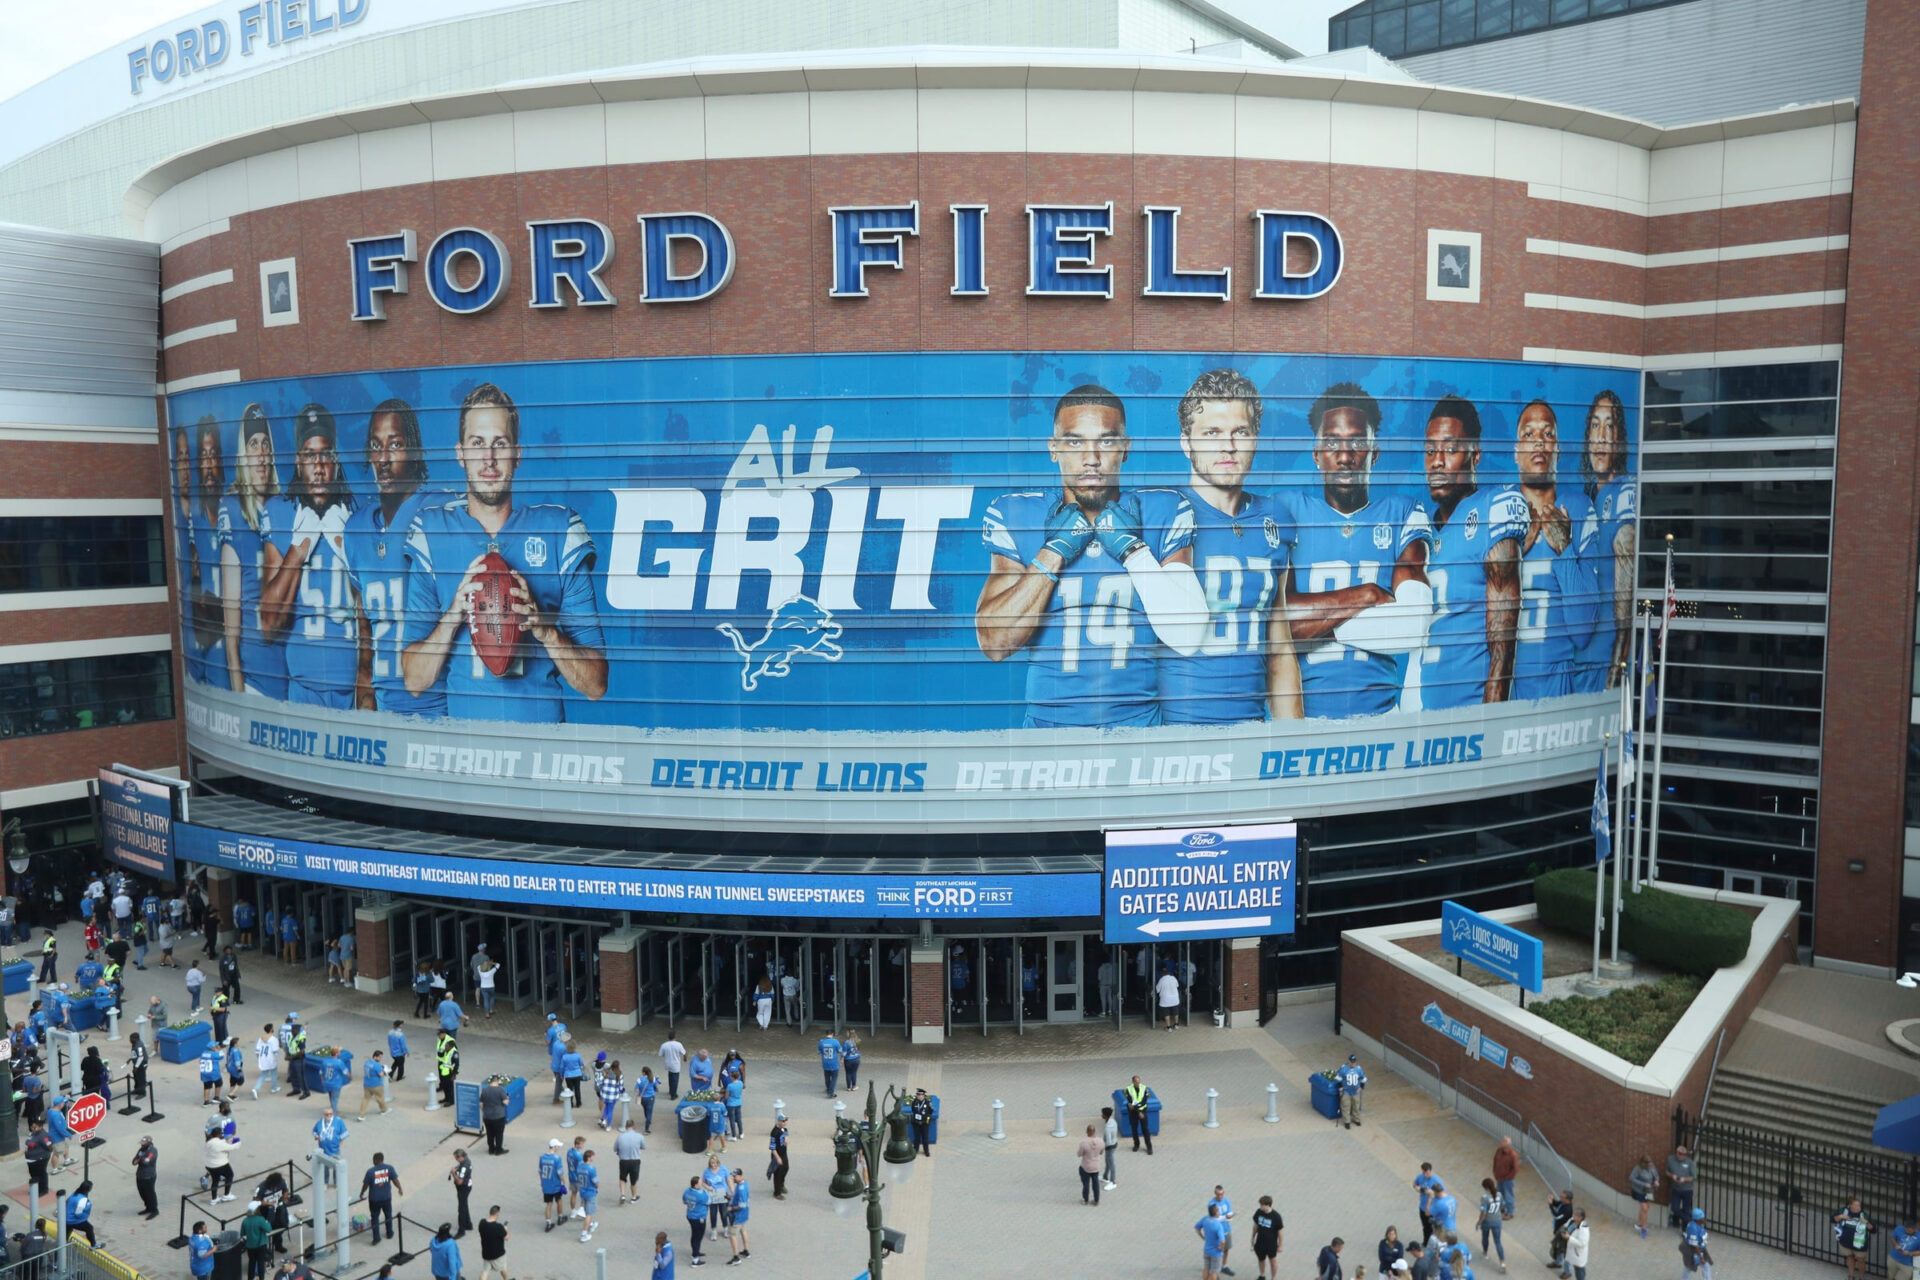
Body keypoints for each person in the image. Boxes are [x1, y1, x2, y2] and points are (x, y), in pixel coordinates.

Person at [975, 382, 1205, 728]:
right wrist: (1052, 553)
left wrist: (1133, 551)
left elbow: (1188, 637)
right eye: (1074, 441)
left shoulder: (1162, 510)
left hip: (1138, 733)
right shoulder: (1018, 515)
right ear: (1053, 449)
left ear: (1125, 448)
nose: (1092, 458)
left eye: (1107, 441)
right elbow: (994, 643)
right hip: (1047, 737)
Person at [400, 381, 609, 720]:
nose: (489, 458)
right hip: (467, 754)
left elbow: (596, 684)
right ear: (459, 454)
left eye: (500, 443)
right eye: (477, 443)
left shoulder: (558, 531)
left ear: (517, 454)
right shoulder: (431, 533)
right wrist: (455, 613)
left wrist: (543, 629)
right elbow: (414, 680)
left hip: (541, 750)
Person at [342, 398, 446, 715]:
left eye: (396, 444)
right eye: (376, 445)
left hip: (438, 709)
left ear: (413, 450)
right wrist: (364, 694)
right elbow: (365, 626)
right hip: (386, 710)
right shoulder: (357, 528)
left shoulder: (440, 512)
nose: (384, 459)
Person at [259, 404, 360, 709]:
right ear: (297, 461)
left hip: (353, 687)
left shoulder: (357, 514)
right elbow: (268, 626)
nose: (318, 466)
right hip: (303, 688)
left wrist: (347, 547)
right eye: (308, 454)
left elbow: (378, 610)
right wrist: (298, 549)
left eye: (325, 454)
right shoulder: (279, 512)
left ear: (336, 461)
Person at [358, 1152, 403, 1244]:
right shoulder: (389, 1168)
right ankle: (389, 1233)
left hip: (374, 1199)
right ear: (382, 1159)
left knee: (374, 1218)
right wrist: (400, 1188)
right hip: (386, 1198)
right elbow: (395, 1180)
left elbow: (365, 1185)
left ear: (375, 1160)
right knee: (388, 1215)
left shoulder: (370, 1171)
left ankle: (376, 1237)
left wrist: (362, 1193)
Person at [1834, 1196, 1874, 1279]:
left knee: (1861, 1260)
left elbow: (1873, 1229)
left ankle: (1861, 1277)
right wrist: (1840, 1217)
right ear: (1850, 1205)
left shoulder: (1864, 1215)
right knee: (1849, 1257)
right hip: (1846, 1242)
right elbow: (1833, 1219)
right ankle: (1851, 1276)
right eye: (1855, 1205)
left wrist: (1866, 1223)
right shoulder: (1844, 1211)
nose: (1857, 1207)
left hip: (1859, 1244)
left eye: (1859, 1206)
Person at [1194, 1202, 1231, 1280]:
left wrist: (1202, 1237)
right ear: (1216, 1213)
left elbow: (1197, 1228)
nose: (1219, 1212)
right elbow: (1223, 1241)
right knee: (1214, 1272)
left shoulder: (1205, 1219)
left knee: (1206, 1268)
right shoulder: (1218, 1225)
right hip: (1215, 1253)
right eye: (1218, 1211)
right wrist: (1221, 1248)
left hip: (1207, 1250)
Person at [1476, 1178, 1506, 1271]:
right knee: (1498, 1242)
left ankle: (1485, 1253)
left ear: (1486, 1187)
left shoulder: (1485, 1197)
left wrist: (1478, 1222)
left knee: (1485, 1237)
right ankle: (1502, 1262)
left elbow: (1483, 1213)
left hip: (1487, 1222)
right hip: (1497, 1221)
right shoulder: (1499, 1194)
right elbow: (1503, 1206)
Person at [1249, 1195, 1283, 1279]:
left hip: (1271, 1244)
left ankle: (1273, 1278)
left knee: (1273, 1262)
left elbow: (1280, 1232)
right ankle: (1262, 1275)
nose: (1260, 1207)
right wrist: (1252, 1238)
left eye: (1262, 1205)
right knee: (1261, 1259)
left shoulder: (1276, 1216)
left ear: (1268, 1205)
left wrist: (1280, 1245)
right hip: (1260, 1242)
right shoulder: (1259, 1212)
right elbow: (1255, 1226)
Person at [312, 1108, 348, 1184]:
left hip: (335, 1150)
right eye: (327, 1114)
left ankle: (336, 1182)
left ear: (333, 1114)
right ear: (323, 1115)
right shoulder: (319, 1123)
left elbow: (345, 1133)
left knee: (336, 1167)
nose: (329, 1116)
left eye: (330, 1114)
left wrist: (339, 1142)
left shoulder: (338, 1121)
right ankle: (325, 1182)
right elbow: (314, 1131)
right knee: (325, 1168)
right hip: (323, 1150)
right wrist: (316, 1137)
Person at [241, 1200, 275, 1280]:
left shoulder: (245, 1221)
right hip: (260, 1245)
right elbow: (269, 1229)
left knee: (251, 1263)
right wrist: (268, 1222)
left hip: (250, 1246)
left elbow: (242, 1234)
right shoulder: (260, 1219)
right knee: (260, 1264)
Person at [724, 1167, 751, 1265]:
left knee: (732, 1235)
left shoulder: (741, 1188)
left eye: (735, 1176)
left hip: (737, 1216)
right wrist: (731, 1197)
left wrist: (731, 1208)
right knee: (743, 1230)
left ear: (740, 1176)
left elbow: (741, 1204)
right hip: (744, 1214)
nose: (733, 1178)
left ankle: (736, 1257)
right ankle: (746, 1251)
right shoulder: (744, 1184)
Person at [539, 1138, 568, 1232]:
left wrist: (542, 1182)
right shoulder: (556, 1158)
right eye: (558, 1146)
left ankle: (548, 1223)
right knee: (559, 1200)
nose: (558, 1148)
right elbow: (560, 1172)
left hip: (546, 1185)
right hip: (555, 1185)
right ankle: (560, 1217)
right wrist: (564, 1182)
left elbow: (540, 1171)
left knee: (548, 1204)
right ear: (554, 1147)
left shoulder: (542, 1157)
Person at [205, 1124, 239, 1202]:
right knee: (230, 1175)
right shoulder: (219, 1144)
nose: (222, 1135)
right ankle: (226, 1195)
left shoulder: (209, 1141)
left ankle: (214, 1199)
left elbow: (222, 1141)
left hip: (210, 1165)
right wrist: (235, 1139)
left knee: (215, 1180)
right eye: (221, 1133)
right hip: (220, 1164)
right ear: (218, 1134)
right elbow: (232, 1147)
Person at [1207, 1185, 1236, 1277]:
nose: (1220, 1196)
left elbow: (1229, 1212)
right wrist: (1225, 1217)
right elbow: (1214, 1218)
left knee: (1226, 1249)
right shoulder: (1212, 1204)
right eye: (1218, 1194)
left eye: (1222, 1194)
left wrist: (1230, 1216)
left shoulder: (1226, 1201)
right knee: (1217, 1250)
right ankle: (1213, 1269)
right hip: (1216, 1231)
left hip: (1226, 1229)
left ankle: (1224, 1266)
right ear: (1215, 1194)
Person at [614, 1119, 645, 1204]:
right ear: (634, 1126)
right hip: (635, 1160)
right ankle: (634, 1197)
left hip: (623, 1160)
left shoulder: (620, 1136)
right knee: (634, 1180)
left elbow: (615, 1148)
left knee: (622, 1178)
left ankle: (623, 1194)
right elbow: (643, 1146)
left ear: (626, 1126)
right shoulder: (639, 1136)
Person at [1628, 1155, 1658, 1239]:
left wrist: (1656, 1181)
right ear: (1643, 1163)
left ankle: (1640, 1224)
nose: (1650, 1165)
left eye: (1650, 1163)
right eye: (1648, 1164)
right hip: (1639, 1191)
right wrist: (1643, 1184)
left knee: (1646, 1208)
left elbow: (1656, 1176)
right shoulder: (1637, 1168)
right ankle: (1644, 1229)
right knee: (1644, 1208)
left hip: (1649, 1191)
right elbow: (1631, 1178)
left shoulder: (1652, 1167)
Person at [683, 1175, 709, 1266]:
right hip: (699, 1218)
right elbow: (708, 1201)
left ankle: (696, 1251)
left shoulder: (687, 1191)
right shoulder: (701, 1195)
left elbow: (684, 1201)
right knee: (698, 1237)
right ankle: (695, 1259)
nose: (702, 1183)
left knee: (694, 1235)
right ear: (695, 1185)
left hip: (690, 1216)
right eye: (700, 1182)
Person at [1336, 1053, 1368, 1129]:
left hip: (1356, 1091)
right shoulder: (1343, 1068)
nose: (1352, 1063)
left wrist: (1361, 1087)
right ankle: (1347, 1122)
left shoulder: (1359, 1069)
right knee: (1346, 1106)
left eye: (1354, 1062)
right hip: (1346, 1091)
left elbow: (1363, 1078)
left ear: (1356, 1062)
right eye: (1351, 1061)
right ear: (1349, 1061)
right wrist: (1340, 1087)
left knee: (1356, 1106)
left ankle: (1356, 1119)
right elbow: (1338, 1077)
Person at [477, 1206, 510, 1280]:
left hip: (486, 1253)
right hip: (498, 1254)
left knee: (485, 1271)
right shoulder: (499, 1227)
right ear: (497, 1214)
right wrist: (505, 1229)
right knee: (503, 1268)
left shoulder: (482, 1223)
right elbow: (507, 1237)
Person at [575, 1149, 600, 1243]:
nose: (594, 1158)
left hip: (582, 1192)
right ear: (589, 1158)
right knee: (589, 1213)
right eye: (593, 1156)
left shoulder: (580, 1167)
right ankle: (584, 1234)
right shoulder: (591, 1169)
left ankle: (590, 1224)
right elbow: (595, 1181)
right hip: (590, 1192)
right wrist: (598, 1187)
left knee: (586, 1210)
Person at [132, 1135, 160, 1218]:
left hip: (149, 1177)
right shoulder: (141, 1149)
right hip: (140, 1176)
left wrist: (139, 1159)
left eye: (143, 1144)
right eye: (141, 1143)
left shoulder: (153, 1151)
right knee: (142, 1193)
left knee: (150, 1194)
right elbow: (134, 1161)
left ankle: (154, 1210)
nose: (142, 1145)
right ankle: (148, 1208)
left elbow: (146, 1162)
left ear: (149, 1143)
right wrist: (139, 1159)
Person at [1125, 1075, 1154, 1155]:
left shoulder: (1144, 1088)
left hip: (1143, 1111)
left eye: (1139, 1082)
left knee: (1145, 1129)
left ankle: (1149, 1147)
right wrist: (1138, 1112)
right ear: (1133, 1082)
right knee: (1134, 1129)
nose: (1138, 1083)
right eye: (1136, 1082)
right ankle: (1136, 1144)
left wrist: (1139, 1110)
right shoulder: (1128, 1089)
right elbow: (1130, 1101)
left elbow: (1144, 1101)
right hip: (1133, 1113)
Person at [1547, 1190, 1574, 1276]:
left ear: (1568, 1199)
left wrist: (1550, 1205)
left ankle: (1568, 1271)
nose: (1560, 1198)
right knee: (1559, 1248)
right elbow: (1557, 1203)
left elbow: (1556, 1215)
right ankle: (1558, 1263)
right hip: (1558, 1230)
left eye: (1562, 1197)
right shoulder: (1563, 1203)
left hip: (1563, 1232)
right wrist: (1553, 1200)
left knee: (1565, 1251)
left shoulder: (1568, 1209)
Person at [1076, 1124, 1103, 1206]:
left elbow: (1079, 1154)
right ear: (1094, 1132)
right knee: (1096, 1184)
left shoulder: (1084, 1143)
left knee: (1086, 1184)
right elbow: (1101, 1152)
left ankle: (1085, 1199)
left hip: (1086, 1166)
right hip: (1096, 1166)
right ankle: (1096, 1200)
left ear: (1087, 1132)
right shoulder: (1100, 1141)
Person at [481, 1076, 509, 1155]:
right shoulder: (500, 1090)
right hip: (498, 1117)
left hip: (487, 1117)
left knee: (489, 1133)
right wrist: (507, 1098)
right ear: (497, 1081)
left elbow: (481, 1104)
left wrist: (485, 1111)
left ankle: (491, 1149)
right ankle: (498, 1150)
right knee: (499, 1134)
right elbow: (506, 1102)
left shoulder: (485, 1090)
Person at [62, 1180, 95, 1247]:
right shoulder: (83, 1199)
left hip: (65, 1218)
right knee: (89, 1228)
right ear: (88, 1189)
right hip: (71, 1220)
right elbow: (78, 1214)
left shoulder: (75, 1194)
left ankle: (62, 1245)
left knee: (67, 1231)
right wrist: (85, 1216)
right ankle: (93, 1245)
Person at [450, 1149, 475, 1237]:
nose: (456, 1160)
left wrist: (453, 1173)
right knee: (464, 1205)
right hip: (468, 1185)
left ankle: (461, 1230)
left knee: (461, 1209)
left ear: (461, 1157)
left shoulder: (464, 1166)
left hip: (463, 1188)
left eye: (457, 1158)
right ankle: (468, 1224)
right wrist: (457, 1168)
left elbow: (460, 1181)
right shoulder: (467, 1160)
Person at [1682, 1208, 1712, 1279]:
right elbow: (1694, 1245)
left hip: (1699, 1250)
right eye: (1702, 1218)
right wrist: (1700, 1257)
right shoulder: (1693, 1228)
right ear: (1698, 1219)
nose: (1704, 1219)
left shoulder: (1698, 1225)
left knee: (1690, 1267)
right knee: (1690, 1267)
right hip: (1694, 1252)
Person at [358, 1049, 390, 1118]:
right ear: (375, 1057)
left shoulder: (367, 1062)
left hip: (366, 1084)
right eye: (380, 1057)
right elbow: (381, 1074)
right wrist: (385, 1071)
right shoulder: (377, 1065)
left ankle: (361, 1114)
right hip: (376, 1085)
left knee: (366, 1099)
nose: (381, 1059)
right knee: (380, 1098)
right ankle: (384, 1110)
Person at [1414, 1163, 1441, 1243]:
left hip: (1432, 1209)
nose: (1424, 1174)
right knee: (1425, 1227)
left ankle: (1434, 1244)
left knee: (1433, 1228)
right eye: (1423, 1172)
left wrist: (1432, 1193)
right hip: (1422, 1207)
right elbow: (1415, 1184)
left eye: (1426, 1172)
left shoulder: (1436, 1180)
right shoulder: (1420, 1177)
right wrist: (1419, 1189)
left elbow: (1442, 1193)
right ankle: (1425, 1242)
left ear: (1430, 1170)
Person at [23, 1120, 50, 1197]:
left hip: (40, 1159)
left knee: (41, 1174)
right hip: (31, 1159)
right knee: (33, 1174)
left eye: (35, 1127)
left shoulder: (43, 1136)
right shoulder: (33, 1133)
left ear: (40, 1127)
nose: (33, 1128)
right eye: (32, 1127)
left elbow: (49, 1147)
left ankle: (43, 1190)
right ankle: (36, 1188)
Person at [253, 1024, 281, 1099]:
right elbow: (275, 1051)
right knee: (274, 1073)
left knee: (263, 1075)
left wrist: (259, 1059)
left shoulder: (261, 1038)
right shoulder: (274, 1039)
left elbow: (257, 1051)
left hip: (262, 1058)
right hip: (271, 1059)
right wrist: (276, 1059)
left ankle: (256, 1089)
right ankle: (273, 1088)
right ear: (271, 1030)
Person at [1889, 1213, 1919, 1280]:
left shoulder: (1919, 1236)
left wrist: (1909, 1253)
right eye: (1906, 1227)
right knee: (1890, 1277)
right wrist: (1895, 1244)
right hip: (1893, 1258)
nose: (1908, 1229)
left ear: (1915, 1228)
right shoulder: (1899, 1228)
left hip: (1907, 1264)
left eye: (1910, 1228)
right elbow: (1892, 1237)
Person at [768, 1114, 790, 1200]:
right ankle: (777, 1192)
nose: (785, 1123)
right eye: (783, 1121)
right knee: (778, 1174)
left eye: (785, 1121)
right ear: (779, 1121)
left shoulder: (784, 1129)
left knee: (786, 1168)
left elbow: (786, 1134)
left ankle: (781, 1184)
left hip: (784, 1153)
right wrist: (778, 1158)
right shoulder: (774, 1132)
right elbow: (772, 1148)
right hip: (777, 1155)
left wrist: (786, 1140)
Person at [437, 1028, 460, 1108]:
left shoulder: (454, 1053)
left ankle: (451, 1101)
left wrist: (454, 1074)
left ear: (450, 1047)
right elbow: (441, 1056)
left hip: (450, 1072)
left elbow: (456, 1065)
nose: (445, 1047)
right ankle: (446, 1098)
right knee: (445, 1086)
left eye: (446, 1046)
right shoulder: (446, 1051)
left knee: (450, 1087)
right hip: (444, 1071)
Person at [658, 1034, 686, 1101]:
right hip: (676, 1065)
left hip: (668, 1064)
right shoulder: (678, 1044)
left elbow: (661, 1054)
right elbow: (684, 1053)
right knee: (675, 1080)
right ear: (675, 1037)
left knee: (670, 1078)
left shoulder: (664, 1045)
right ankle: (673, 1095)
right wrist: (685, 1059)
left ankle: (671, 1091)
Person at [908, 1087, 934, 1157]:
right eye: (917, 1095)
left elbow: (930, 1112)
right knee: (917, 1138)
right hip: (916, 1123)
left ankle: (926, 1151)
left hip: (924, 1123)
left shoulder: (928, 1103)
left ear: (923, 1095)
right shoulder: (914, 1102)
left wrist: (926, 1119)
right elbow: (913, 1110)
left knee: (925, 1138)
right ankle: (916, 1150)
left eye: (920, 1095)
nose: (918, 1096)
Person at [1564, 1208, 1589, 1280]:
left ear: (1580, 1218)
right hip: (1574, 1253)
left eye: (1575, 1215)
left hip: (1578, 1255)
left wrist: (1569, 1238)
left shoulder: (1584, 1230)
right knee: (1577, 1269)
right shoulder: (1574, 1222)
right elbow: (1567, 1226)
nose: (1573, 1216)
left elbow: (1582, 1243)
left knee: (1579, 1272)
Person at [199, 1039, 226, 1105]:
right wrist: (219, 1050)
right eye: (216, 1046)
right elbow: (222, 1056)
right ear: (212, 1048)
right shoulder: (214, 1054)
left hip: (204, 1073)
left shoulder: (203, 1053)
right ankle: (216, 1098)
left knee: (207, 1087)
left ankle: (206, 1101)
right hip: (214, 1073)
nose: (217, 1046)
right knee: (219, 1084)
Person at [561, 1039, 585, 1108]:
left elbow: (562, 1067)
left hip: (568, 1075)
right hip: (577, 1074)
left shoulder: (564, 1057)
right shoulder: (578, 1055)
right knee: (577, 1089)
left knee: (569, 1089)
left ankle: (570, 1103)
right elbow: (581, 1064)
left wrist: (562, 1075)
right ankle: (578, 1103)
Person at [1156, 966, 1182, 1031]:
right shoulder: (1173, 978)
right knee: (1176, 1012)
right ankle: (1176, 1025)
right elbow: (1177, 985)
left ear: (1162, 973)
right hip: (1175, 999)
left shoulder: (1161, 980)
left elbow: (1157, 990)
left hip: (1165, 1000)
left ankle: (1168, 1027)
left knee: (1166, 1013)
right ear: (1168, 973)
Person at [1100, 1105, 1119, 1190]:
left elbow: (1108, 1141)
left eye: (1102, 1114)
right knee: (1107, 1162)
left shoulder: (1108, 1127)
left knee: (1111, 1164)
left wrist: (1102, 1148)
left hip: (1110, 1147)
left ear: (1106, 1116)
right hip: (1114, 1144)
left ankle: (1113, 1181)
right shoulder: (1113, 1121)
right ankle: (1105, 1176)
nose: (1101, 1115)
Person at [815, 1033, 840, 1098]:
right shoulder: (835, 1041)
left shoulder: (821, 1042)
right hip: (834, 1063)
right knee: (834, 1078)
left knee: (827, 1078)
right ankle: (830, 1093)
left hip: (825, 1063)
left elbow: (818, 1052)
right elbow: (839, 1050)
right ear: (832, 1034)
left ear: (826, 1034)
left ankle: (828, 1089)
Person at [722, 1068, 744, 1139]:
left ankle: (733, 1136)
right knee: (739, 1118)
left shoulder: (730, 1086)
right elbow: (740, 1092)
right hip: (738, 1103)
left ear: (732, 1077)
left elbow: (726, 1096)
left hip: (731, 1104)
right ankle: (741, 1133)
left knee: (732, 1119)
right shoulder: (741, 1083)